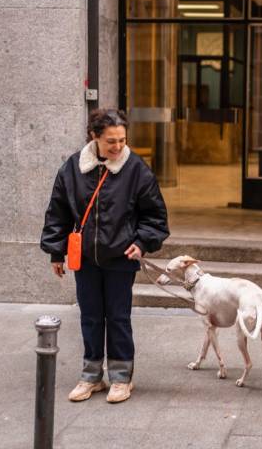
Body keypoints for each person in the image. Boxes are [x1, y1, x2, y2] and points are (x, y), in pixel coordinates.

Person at [40, 109, 169, 402]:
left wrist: (142, 242)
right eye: (111, 141)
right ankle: (91, 376)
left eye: (122, 140)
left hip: (121, 256)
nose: (118, 147)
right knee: (90, 317)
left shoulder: (136, 169)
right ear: (94, 137)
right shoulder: (73, 168)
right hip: (85, 258)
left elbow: (155, 216)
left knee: (119, 317)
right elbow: (58, 212)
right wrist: (55, 252)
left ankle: (122, 377)